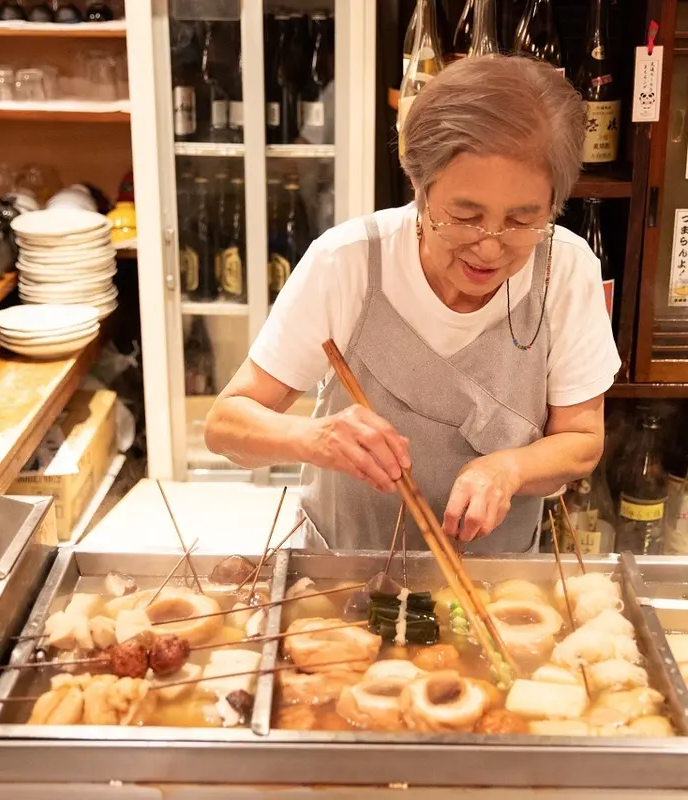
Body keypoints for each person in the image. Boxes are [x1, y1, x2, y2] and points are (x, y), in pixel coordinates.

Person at [204, 56, 620, 552]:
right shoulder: (350, 262)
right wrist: (314, 437)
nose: (489, 247)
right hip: (343, 568)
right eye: (465, 216)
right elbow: (226, 424)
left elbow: (581, 440)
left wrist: (508, 468)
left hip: (498, 587)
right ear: (420, 187)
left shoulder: (565, 270)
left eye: (521, 220)